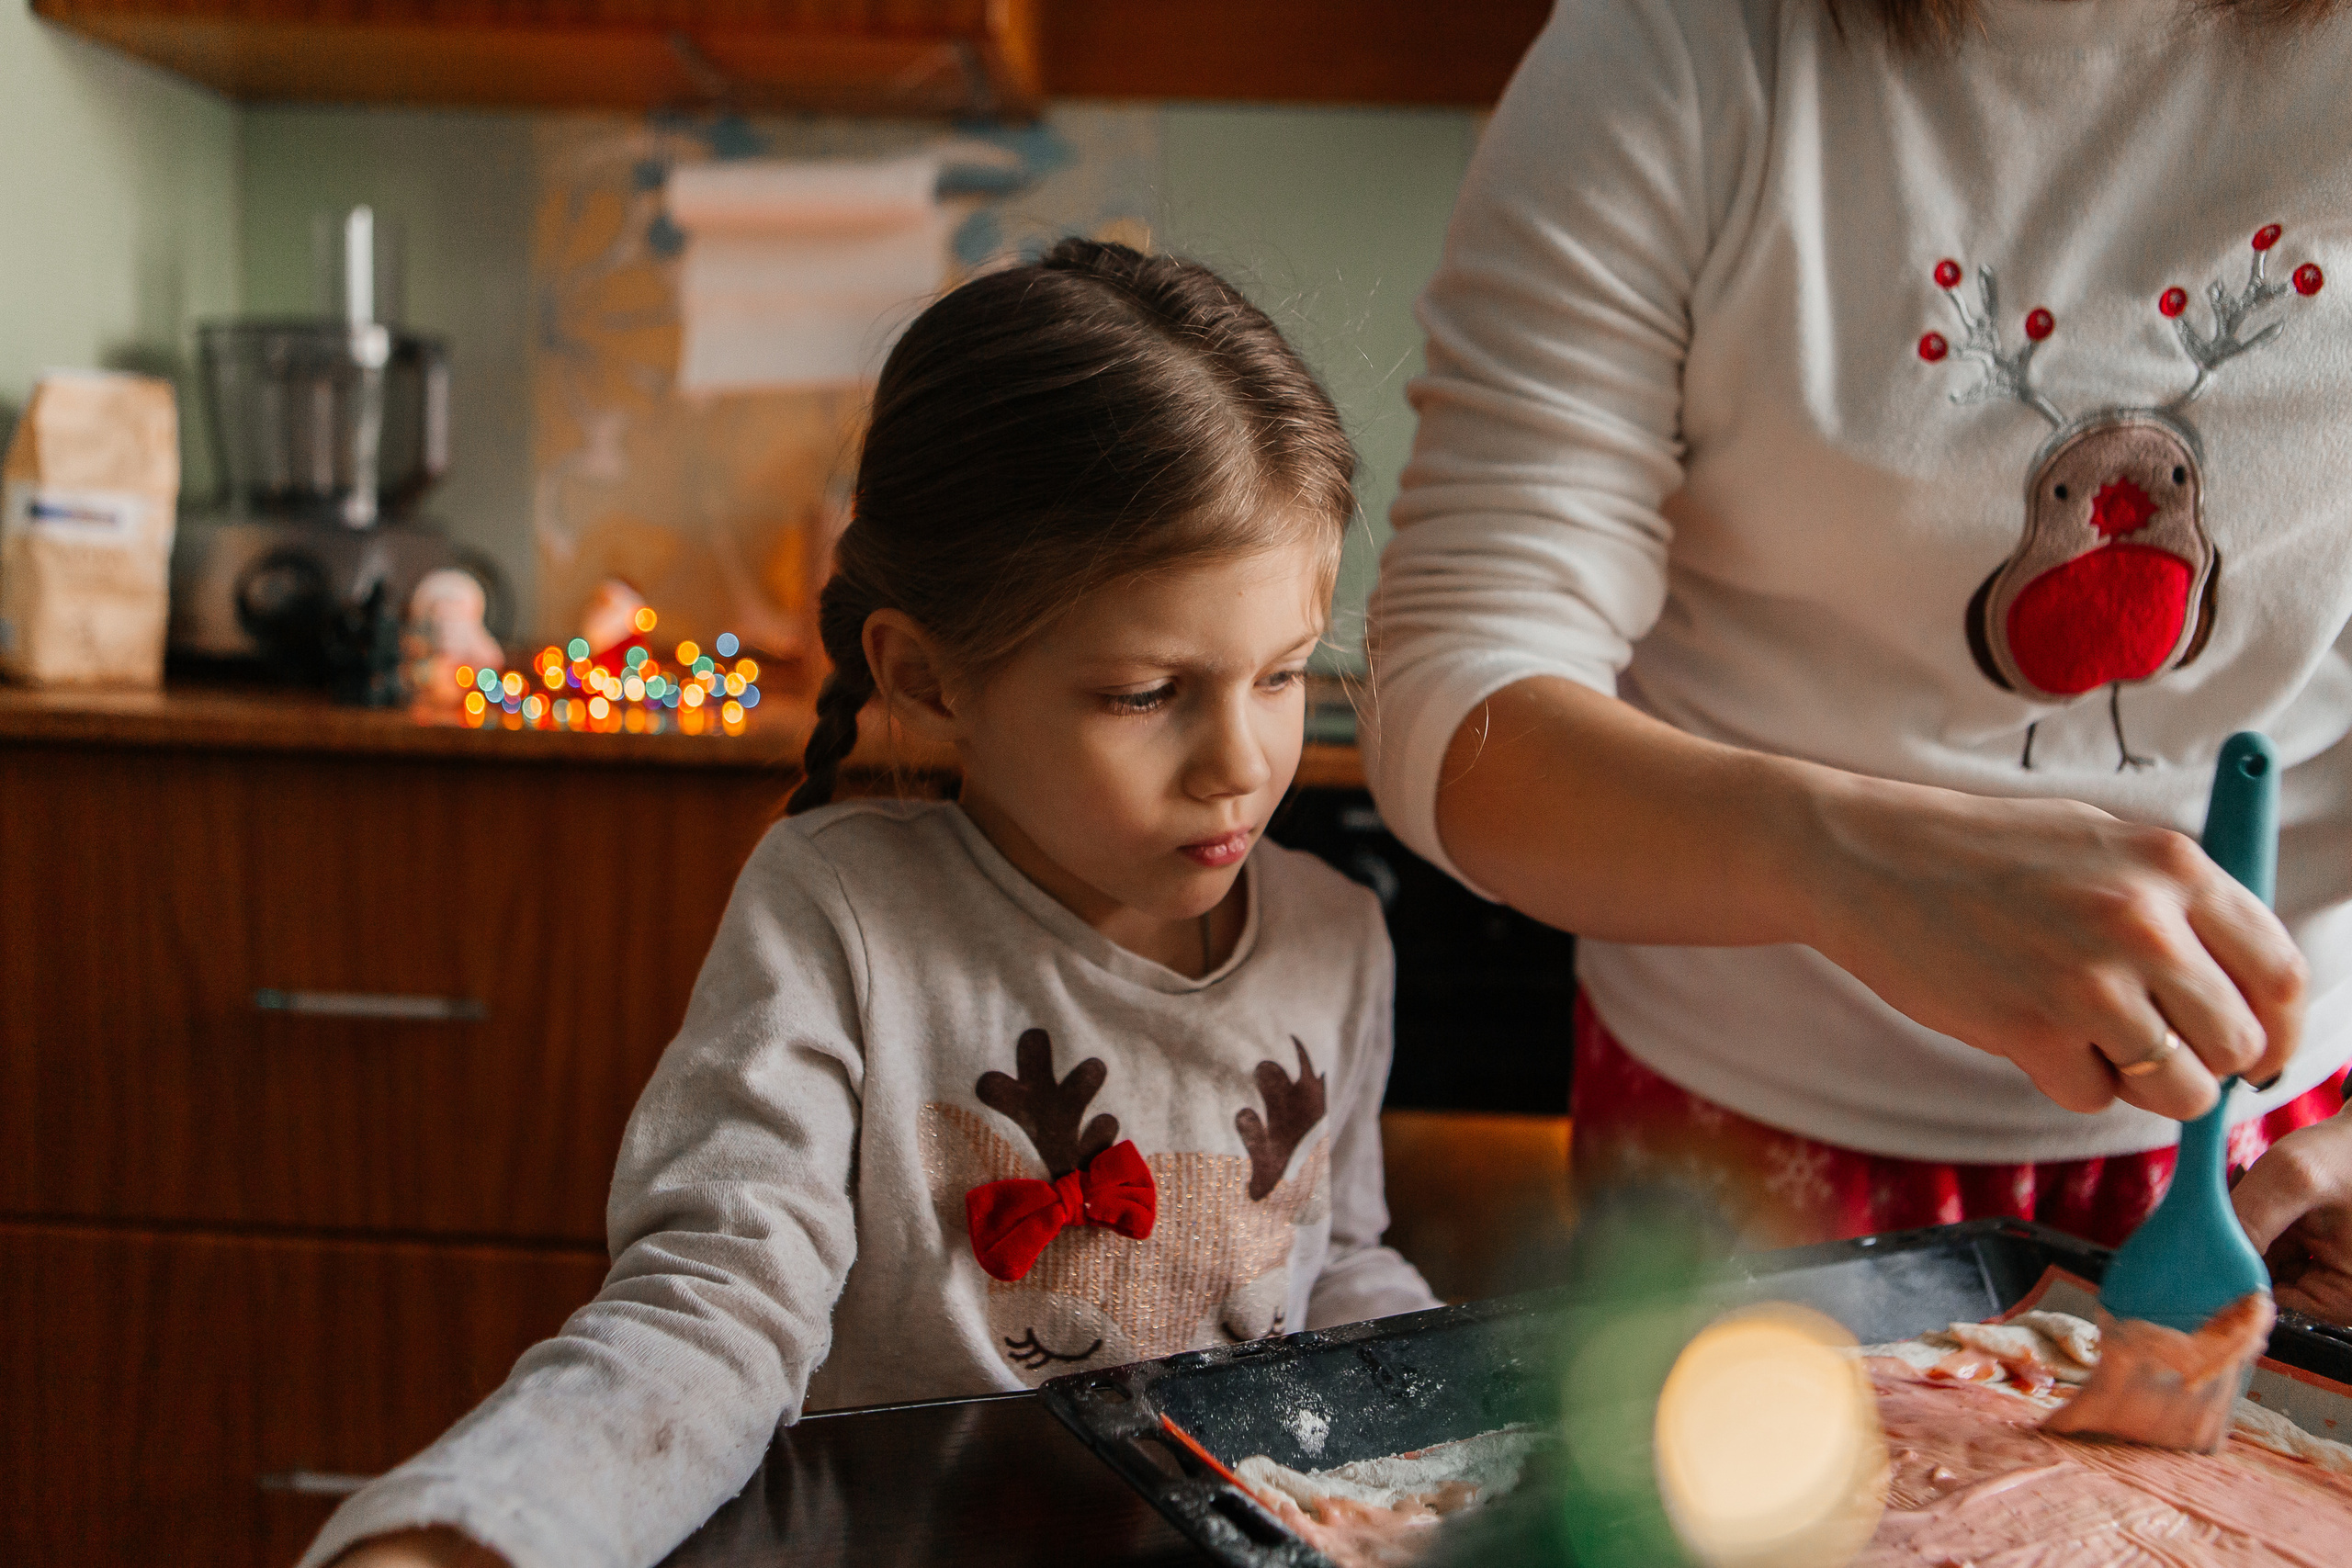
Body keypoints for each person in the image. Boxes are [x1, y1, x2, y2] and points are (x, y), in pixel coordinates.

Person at [308, 240, 1439, 1568]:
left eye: (1284, 675)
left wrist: (1458, 1412)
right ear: (930, 680)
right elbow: (711, 1311)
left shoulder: (1335, 937)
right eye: (1146, 693)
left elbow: (1334, 1260)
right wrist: (473, 1537)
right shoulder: (840, 919)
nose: (1240, 762)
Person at [1367, 0, 2352, 1313]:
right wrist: (1841, 863)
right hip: (1736, 1151)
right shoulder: (1683, 45)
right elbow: (1455, 695)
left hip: (2277, 1164)